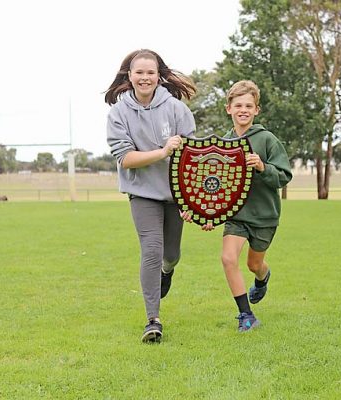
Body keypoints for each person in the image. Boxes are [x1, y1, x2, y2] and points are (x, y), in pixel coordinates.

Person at [105, 49, 196, 343]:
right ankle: (152, 320)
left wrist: (190, 199)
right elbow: (125, 159)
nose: (145, 78)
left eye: (150, 72)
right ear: (129, 76)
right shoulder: (119, 113)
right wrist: (162, 151)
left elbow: (192, 158)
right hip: (142, 193)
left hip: (175, 194)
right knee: (152, 250)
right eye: (139, 72)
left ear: (159, 76)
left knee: (171, 255)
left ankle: (167, 271)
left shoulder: (176, 109)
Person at [190, 80, 292, 332]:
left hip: (264, 216)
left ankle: (262, 278)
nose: (243, 110)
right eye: (238, 105)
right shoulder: (223, 144)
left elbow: (284, 175)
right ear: (229, 109)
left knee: (254, 265)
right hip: (236, 216)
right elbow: (216, 184)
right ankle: (246, 314)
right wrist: (206, 214)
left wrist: (262, 167)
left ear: (257, 110)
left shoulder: (267, 139)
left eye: (249, 105)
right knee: (227, 258)